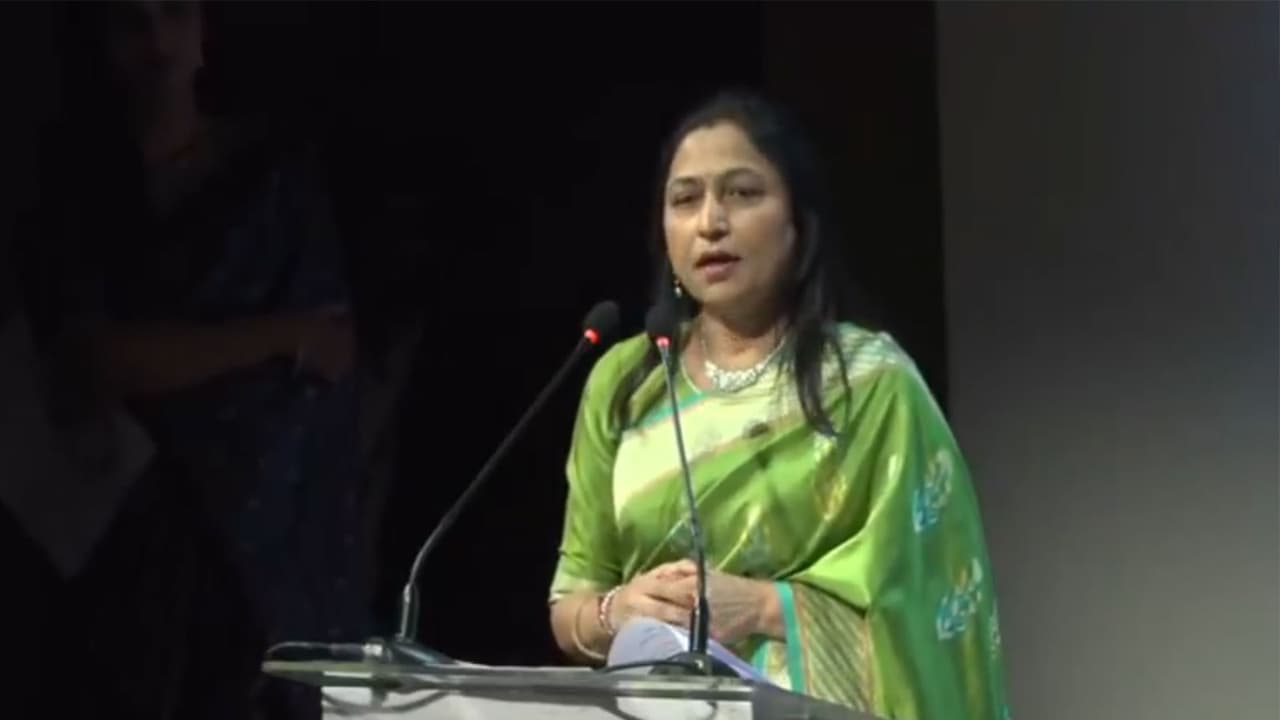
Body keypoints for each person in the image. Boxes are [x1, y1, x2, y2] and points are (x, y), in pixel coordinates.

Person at [547, 90, 1010, 719]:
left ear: (798, 222)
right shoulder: (626, 382)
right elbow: (571, 601)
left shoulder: (871, 385)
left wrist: (769, 608)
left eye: (742, 193)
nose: (711, 222)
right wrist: (615, 610)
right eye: (685, 199)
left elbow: (932, 601)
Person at [22, 2, 370, 717]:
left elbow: (331, 350)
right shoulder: (76, 187)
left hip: (254, 560)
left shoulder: (270, 182)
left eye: (173, 14)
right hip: (104, 548)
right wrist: (276, 335)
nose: (155, 41)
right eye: (131, 21)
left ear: (203, 34)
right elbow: (95, 361)